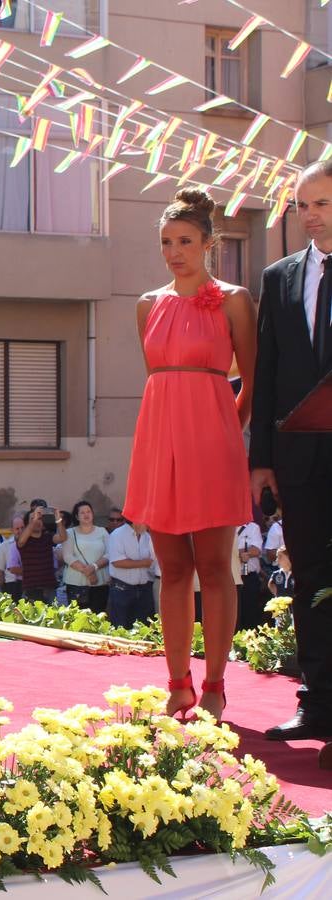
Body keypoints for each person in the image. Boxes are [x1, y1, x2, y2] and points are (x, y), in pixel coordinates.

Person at [123, 187, 256, 722]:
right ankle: (177, 684)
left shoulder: (234, 300)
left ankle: (216, 684)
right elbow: (158, 381)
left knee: (215, 569)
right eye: (165, 242)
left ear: (208, 243)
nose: (174, 251)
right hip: (159, 442)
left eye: (184, 241)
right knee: (172, 569)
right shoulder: (146, 305)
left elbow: (253, 382)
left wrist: (226, 431)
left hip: (212, 445)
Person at [251, 161, 332, 741]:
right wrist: (261, 460)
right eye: (303, 205)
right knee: (309, 577)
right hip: (299, 459)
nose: (310, 215)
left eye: (322, 203)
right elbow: (268, 373)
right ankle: (318, 702)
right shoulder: (279, 277)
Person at [106, 517, 157, 629]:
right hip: (122, 589)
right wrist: (144, 563)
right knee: (121, 627)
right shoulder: (118, 534)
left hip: (144, 589)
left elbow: (152, 561)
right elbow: (117, 562)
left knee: (143, 628)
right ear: (136, 520)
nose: (148, 525)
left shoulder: (146, 536)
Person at [61, 501, 110, 614]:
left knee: (98, 617)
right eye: (82, 513)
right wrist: (88, 572)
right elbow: (67, 556)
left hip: (100, 583)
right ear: (77, 516)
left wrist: (94, 567)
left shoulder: (102, 531)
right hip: (76, 583)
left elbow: (110, 553)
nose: (86, 514)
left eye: (88, 511)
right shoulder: (69, 533)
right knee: (78, 619)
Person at [17, 500, 65, 602]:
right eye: (33, 518)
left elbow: (63, 538)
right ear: (27, 524)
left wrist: (58, 519)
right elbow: (21, 542)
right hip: (31, 589)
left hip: (50, 588)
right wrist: (34, 518)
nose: (37, 521)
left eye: (40, 518)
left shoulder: (48, 537)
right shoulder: (23, 539)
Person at [236, 519, 266, 632]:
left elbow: (256, 550)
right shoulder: (225, 528)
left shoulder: (253, 527)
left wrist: (233, 552)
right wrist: (241, 552)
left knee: (250, 612)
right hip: (232, 578)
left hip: (249, 577)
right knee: (235, 613)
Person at [0, 515, 23, 600]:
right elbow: (0, 571)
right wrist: (4, 591)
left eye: (22, 528)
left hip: (28, 584)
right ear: (12, 530)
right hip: (11, 585)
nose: (20, 531)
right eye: (17, 529)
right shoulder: (4, 546)